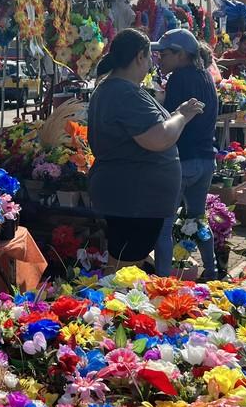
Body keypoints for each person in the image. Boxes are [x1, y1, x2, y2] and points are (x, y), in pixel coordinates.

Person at [87, 29, 204, 270]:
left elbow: (152, 130)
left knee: (124, 265)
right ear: (140, 56)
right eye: (150, 57)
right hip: (134, 199)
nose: (152, 63)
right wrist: (181, 116)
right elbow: (158, 138)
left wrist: (177, 116)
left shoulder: (120, 88)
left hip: (134, 197)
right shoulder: (122, 91)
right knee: (123, 272)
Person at [152, 29, 220, 279]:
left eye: (164, 53)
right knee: (197, 219)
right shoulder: (205, 76)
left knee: (165, 225)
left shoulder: (180, 78)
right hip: (205, 159)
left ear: (181, 55)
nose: (160, 59)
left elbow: (170, 122)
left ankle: (162, 280)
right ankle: (211, 271)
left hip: (183, 159)